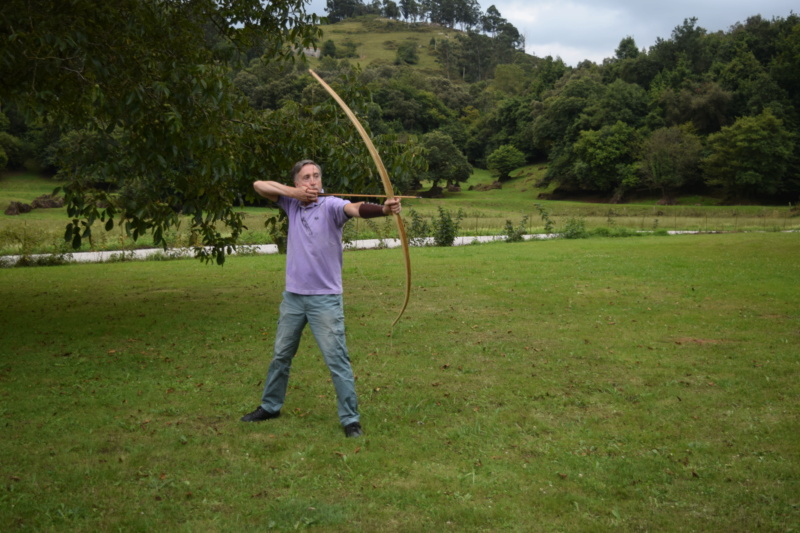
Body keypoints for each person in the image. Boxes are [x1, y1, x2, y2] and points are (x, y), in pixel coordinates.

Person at [241, 159, 402, 438]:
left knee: (336, 359)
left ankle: (350, 419)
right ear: (296, 182)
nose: (313, 181)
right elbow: (258, 185)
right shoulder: (290, 203)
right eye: (306, 177)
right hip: (293, 297)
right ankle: (270, 406)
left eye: (316, 176)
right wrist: (294, 195)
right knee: (281, 355)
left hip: (325, 299)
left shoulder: (330, 205)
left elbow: (354, 208)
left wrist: (384, 210)